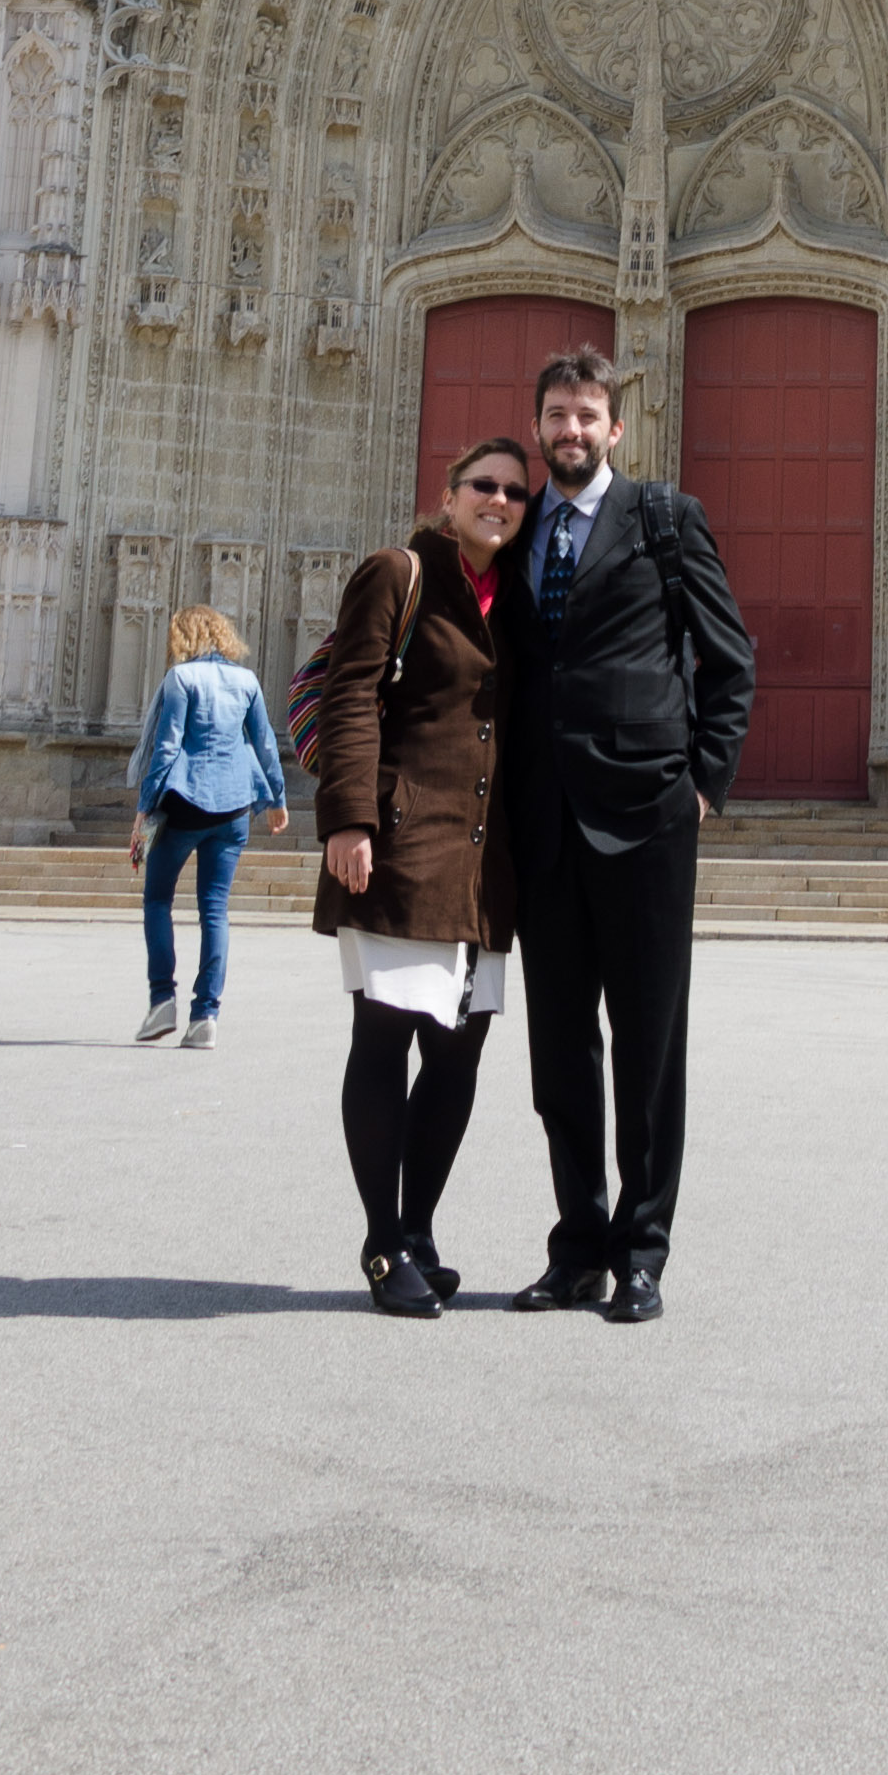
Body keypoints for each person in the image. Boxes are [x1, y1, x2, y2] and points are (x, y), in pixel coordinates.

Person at [502, 346, 755, 1325]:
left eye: (587, 414)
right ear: (539, 426)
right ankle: (577, 1247)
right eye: (556, 414)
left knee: (648, 1047)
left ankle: (642, 1252)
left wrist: (702, 786)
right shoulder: (514, 528)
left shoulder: (664, 517)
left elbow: (729, 656)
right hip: (545, 821)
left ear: (615, 427)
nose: (571, 429)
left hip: (647, 816)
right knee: (560, 1051)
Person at [317, 438, 536, 1315]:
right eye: (483, 485)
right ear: (448, 496)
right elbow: (348, 694)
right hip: (402, 846)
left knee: (457, 1052)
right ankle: (381, 1243)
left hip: (484, 863)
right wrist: (350, 818)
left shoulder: (518, 596)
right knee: (384, 1038)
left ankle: (418, 1229)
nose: (499, 500)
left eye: (515, 492)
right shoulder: (396, 572)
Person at [127, 604, 291, 1046]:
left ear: (183, 637)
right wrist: (277, 799)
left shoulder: (180, 679)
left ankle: (162, 1001)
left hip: (185, 803)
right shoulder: (247, 680)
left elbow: (166, 749)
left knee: (157, 901)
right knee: (215, 910)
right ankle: (205, 1018)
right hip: (235, 807)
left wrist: (143, 810)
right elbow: (265, 743)